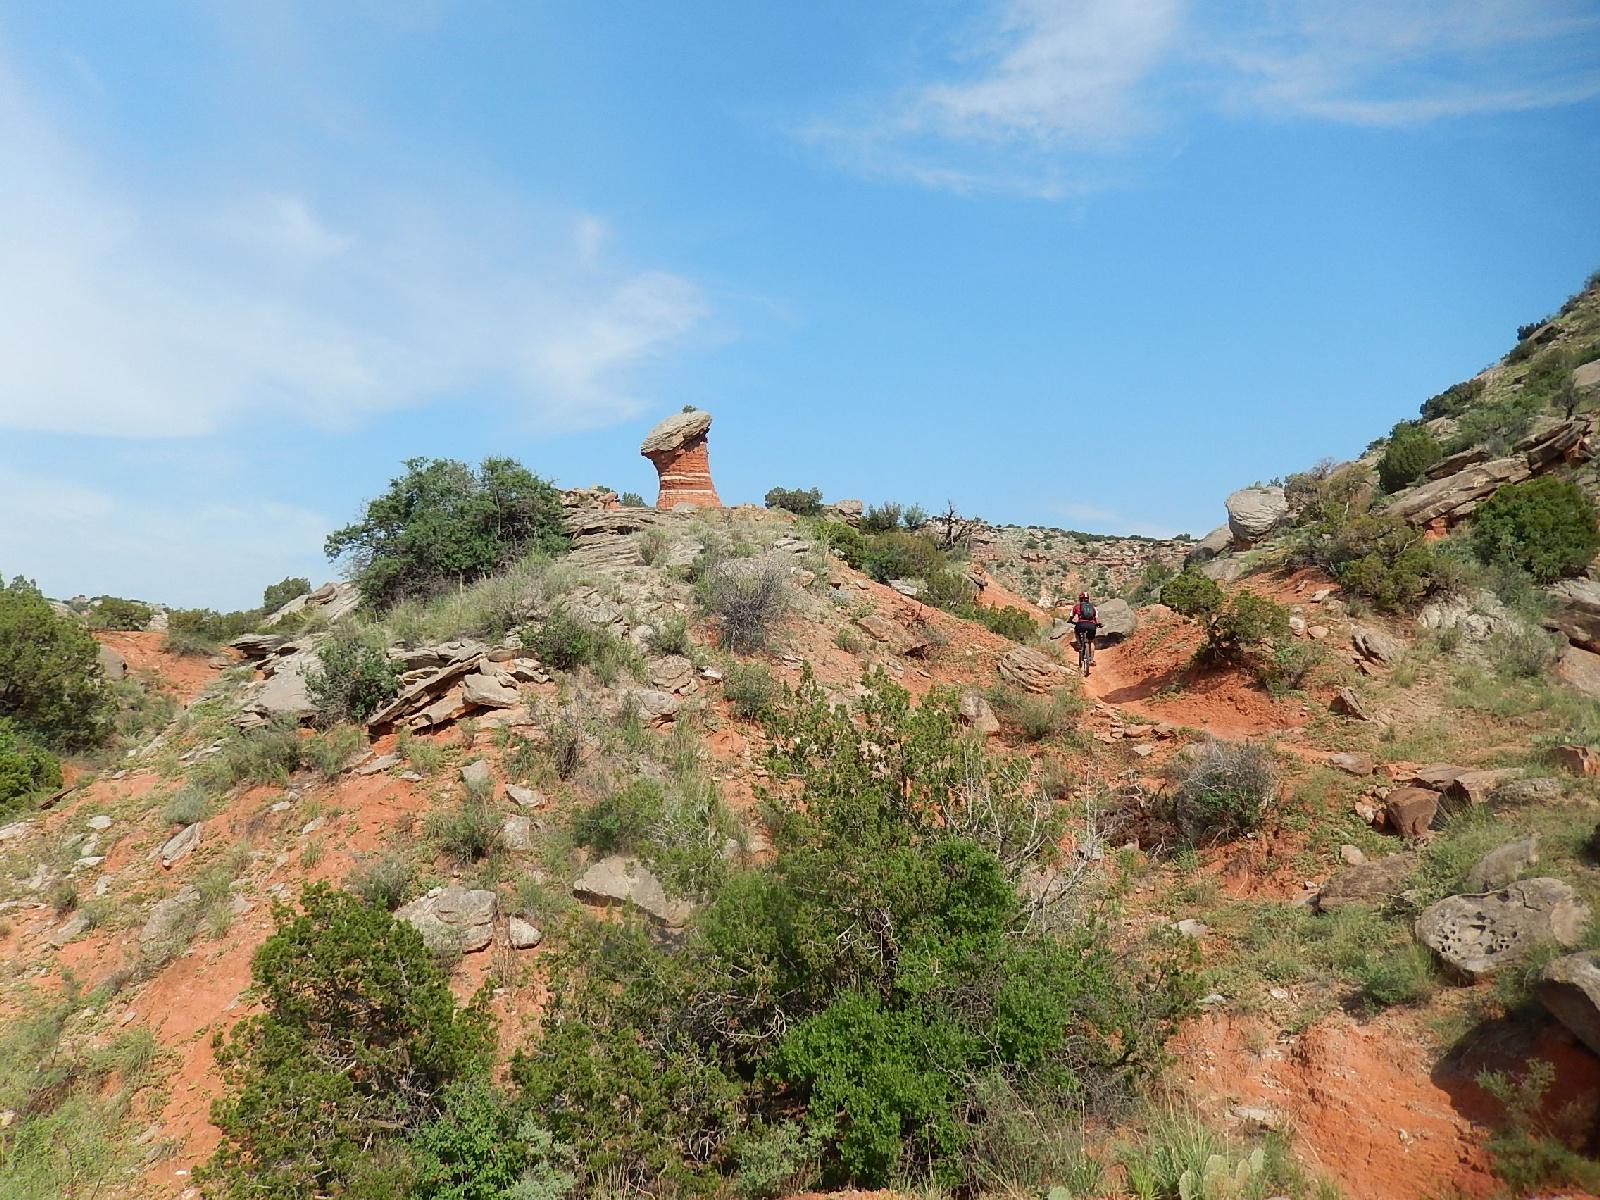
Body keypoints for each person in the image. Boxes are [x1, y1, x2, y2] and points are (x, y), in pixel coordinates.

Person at [1068, 591, 1100, 667]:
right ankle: (1091, 660)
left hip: (1081, 625)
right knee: (1091, 641)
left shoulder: (1076, 606)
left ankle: (1080, 644)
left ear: (1080, 599)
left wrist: (1070, 620)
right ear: (1088, 599)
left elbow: (1071, 616)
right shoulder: (1093, 607)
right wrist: (1098, 624)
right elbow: (1097, 619)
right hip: (1091, 626)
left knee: (1076, 631)